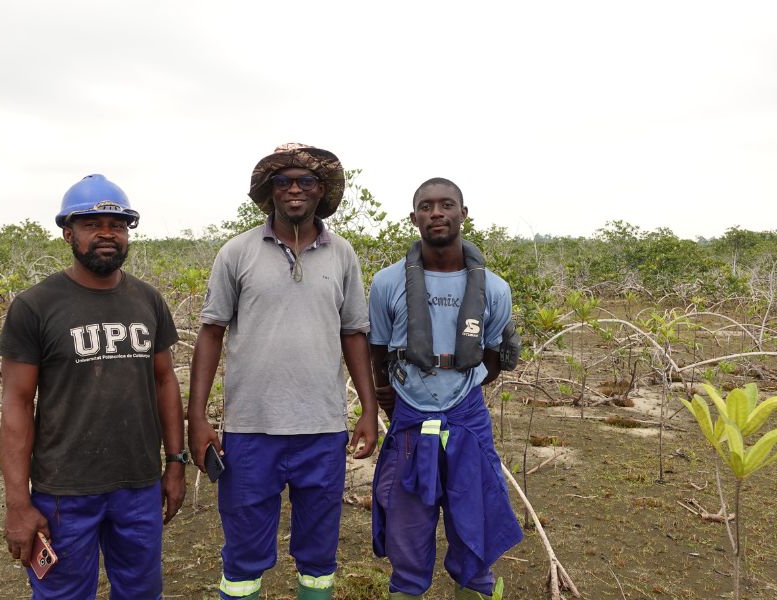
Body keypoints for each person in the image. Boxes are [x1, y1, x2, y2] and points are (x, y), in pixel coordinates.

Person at [187, 144, 378, 600]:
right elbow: (211, 332)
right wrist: (197, 416)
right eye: (283, 181)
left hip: (323, 429)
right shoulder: (237, 252)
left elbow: (354, 334)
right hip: (251, 430)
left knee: (319, 555)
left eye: (306, 181)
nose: (294, 189)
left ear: (321, 191)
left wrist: (369, 411)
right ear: (268, 191)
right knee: (243, 553)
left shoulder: (342, 254)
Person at [0, 174, 188, 599]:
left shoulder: (148, 300)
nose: (107, 233)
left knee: (141, 592)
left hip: (138, 485)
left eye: (117, 225)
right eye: (91, 224)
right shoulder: (35, 306)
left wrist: (176, 463)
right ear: (68, 233)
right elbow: (16, 405)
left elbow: (165, 381)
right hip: (64, 492)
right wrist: (18, 503)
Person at [368, 177, 524, 600]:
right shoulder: (386, 283)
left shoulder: (495, 288)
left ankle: (474, 588)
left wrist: (459, 390)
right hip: (408, 415)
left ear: (463, 214)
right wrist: (388, 397)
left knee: (475, 527)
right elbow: (378, 350)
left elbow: (493, 358)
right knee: (406, 532)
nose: (436, 213)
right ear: (414, 217)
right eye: (426, 206)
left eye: (446, 204)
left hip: (467, 416)